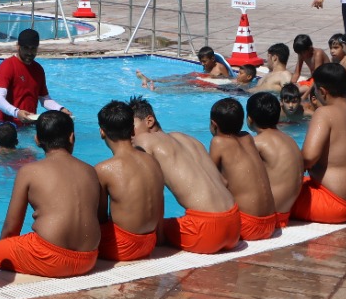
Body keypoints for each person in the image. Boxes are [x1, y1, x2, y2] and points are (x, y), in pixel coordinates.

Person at [0, 111, 101, 277]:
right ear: (72, 137)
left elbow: (11, 228)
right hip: (89, 258)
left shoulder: (29, 171)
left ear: (36, 139)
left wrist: (4, 251)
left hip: (49, 258)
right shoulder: (90, 171)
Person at [129, 98, 240, 254]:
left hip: (206, 232)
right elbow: (223, 181)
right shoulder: (188, 139)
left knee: (140, 235)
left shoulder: (144, 141)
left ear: (149, 121)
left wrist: (159, 237)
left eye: (131, 127)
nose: (128, 134)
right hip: (235, 224)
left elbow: (154, 193)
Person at [289, 63, 346, 224]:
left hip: (332, 203)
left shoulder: (324, 113)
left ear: (322, 91)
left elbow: (308, 157)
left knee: (273, 191)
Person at [92, 100, 165, 261]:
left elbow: (100, 219)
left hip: (122, 247)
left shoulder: (103, 169)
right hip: (149, 242)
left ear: (102, 132)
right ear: (132, 130)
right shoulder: (152, 161)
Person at [207, 98, 280, 241]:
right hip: (270, 223)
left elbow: (209, 179)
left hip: (248, 225)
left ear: (214, 124)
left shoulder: (218, 142)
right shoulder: (248, 137)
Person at [246, 92, 304, 216]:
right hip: (285, 212)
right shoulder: (290, 140)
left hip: (268, 215)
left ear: (249, 119)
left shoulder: (256, 143)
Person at [0, 29, 66, 127]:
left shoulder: (38, 69)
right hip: (8, 126)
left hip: (30, 125)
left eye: (33, 48)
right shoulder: (7, 66)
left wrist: (60, 109)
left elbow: (44, 99)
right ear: (18, 46)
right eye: (26, 48)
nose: (30, 52)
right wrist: (17, 113)